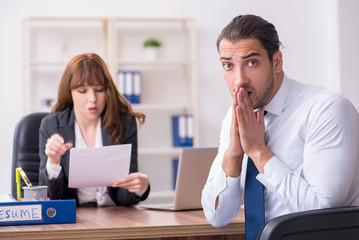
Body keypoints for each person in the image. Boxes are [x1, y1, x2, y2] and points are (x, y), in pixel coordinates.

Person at [201, 14, 359, 239]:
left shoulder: (326, 109)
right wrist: (234, 154)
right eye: (228, 65)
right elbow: (217, 217)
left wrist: (258, 152)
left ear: (277, 62)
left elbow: (324, 213)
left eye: (251, 62)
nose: (239, 80)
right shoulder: (235, 116)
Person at [39, 53, 150, 207]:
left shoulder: (124, 123)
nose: (92, 98)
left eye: (99, 89)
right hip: (74, 217)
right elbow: (53, 198)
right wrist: (53, 162)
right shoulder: (51, 125)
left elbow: (125, 197)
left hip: (115, 215)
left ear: (107, 91)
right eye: (82, 91)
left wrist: (140, 187)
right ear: (70, 93)